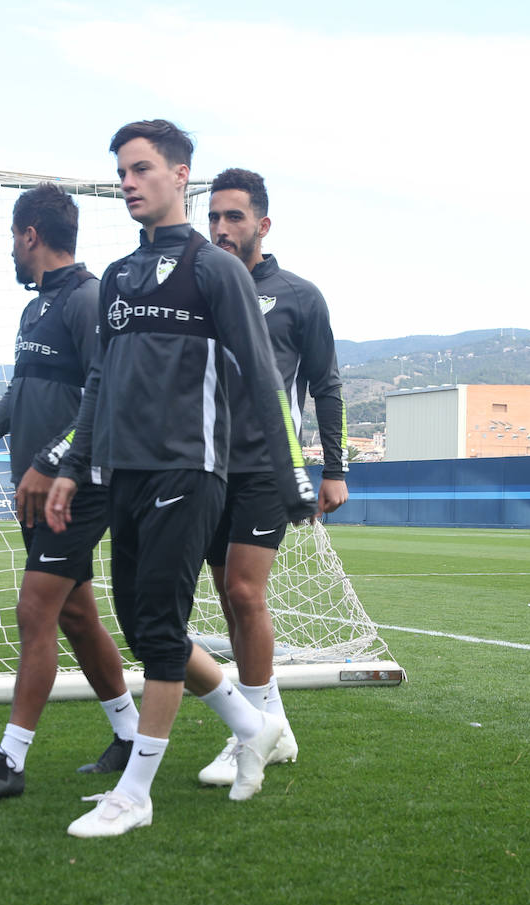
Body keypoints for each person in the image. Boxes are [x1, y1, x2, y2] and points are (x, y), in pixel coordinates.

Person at [43, 119, 316, 838]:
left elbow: (262, 379)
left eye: (140, 169)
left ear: (179, 175)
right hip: (122, 472)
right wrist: (75, 468)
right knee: (140, 622)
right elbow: (99, 378)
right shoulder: (120, 278)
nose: (128, 183)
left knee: (160, 626)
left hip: (190, 470)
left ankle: (136, 793)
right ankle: (248, 723)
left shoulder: (214, 270)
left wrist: (294, 482)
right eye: (122, 173)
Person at [0, 183, 139, 801]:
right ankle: (131, 734)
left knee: (36, 611)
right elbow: (23, 392)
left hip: (74, 487)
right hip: (38, 490)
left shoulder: (87, 301)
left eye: (12, 236)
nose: (10, 249)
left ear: (30, 233)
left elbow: (104, 396)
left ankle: (9, 761)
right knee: (78, 616)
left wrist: (53, 462)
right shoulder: (35, 310)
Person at [196, 168, 348, 788]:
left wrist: (334, 468)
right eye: (213, 217)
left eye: (234, 217)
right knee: (228, 600)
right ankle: (269, 728)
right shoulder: (200, 287)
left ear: (262, 224)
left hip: (267, 467)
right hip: (206, 466)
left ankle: (252, 733)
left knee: (244, 593)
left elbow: (326, 383)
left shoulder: (298, 295)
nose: (221, 228)